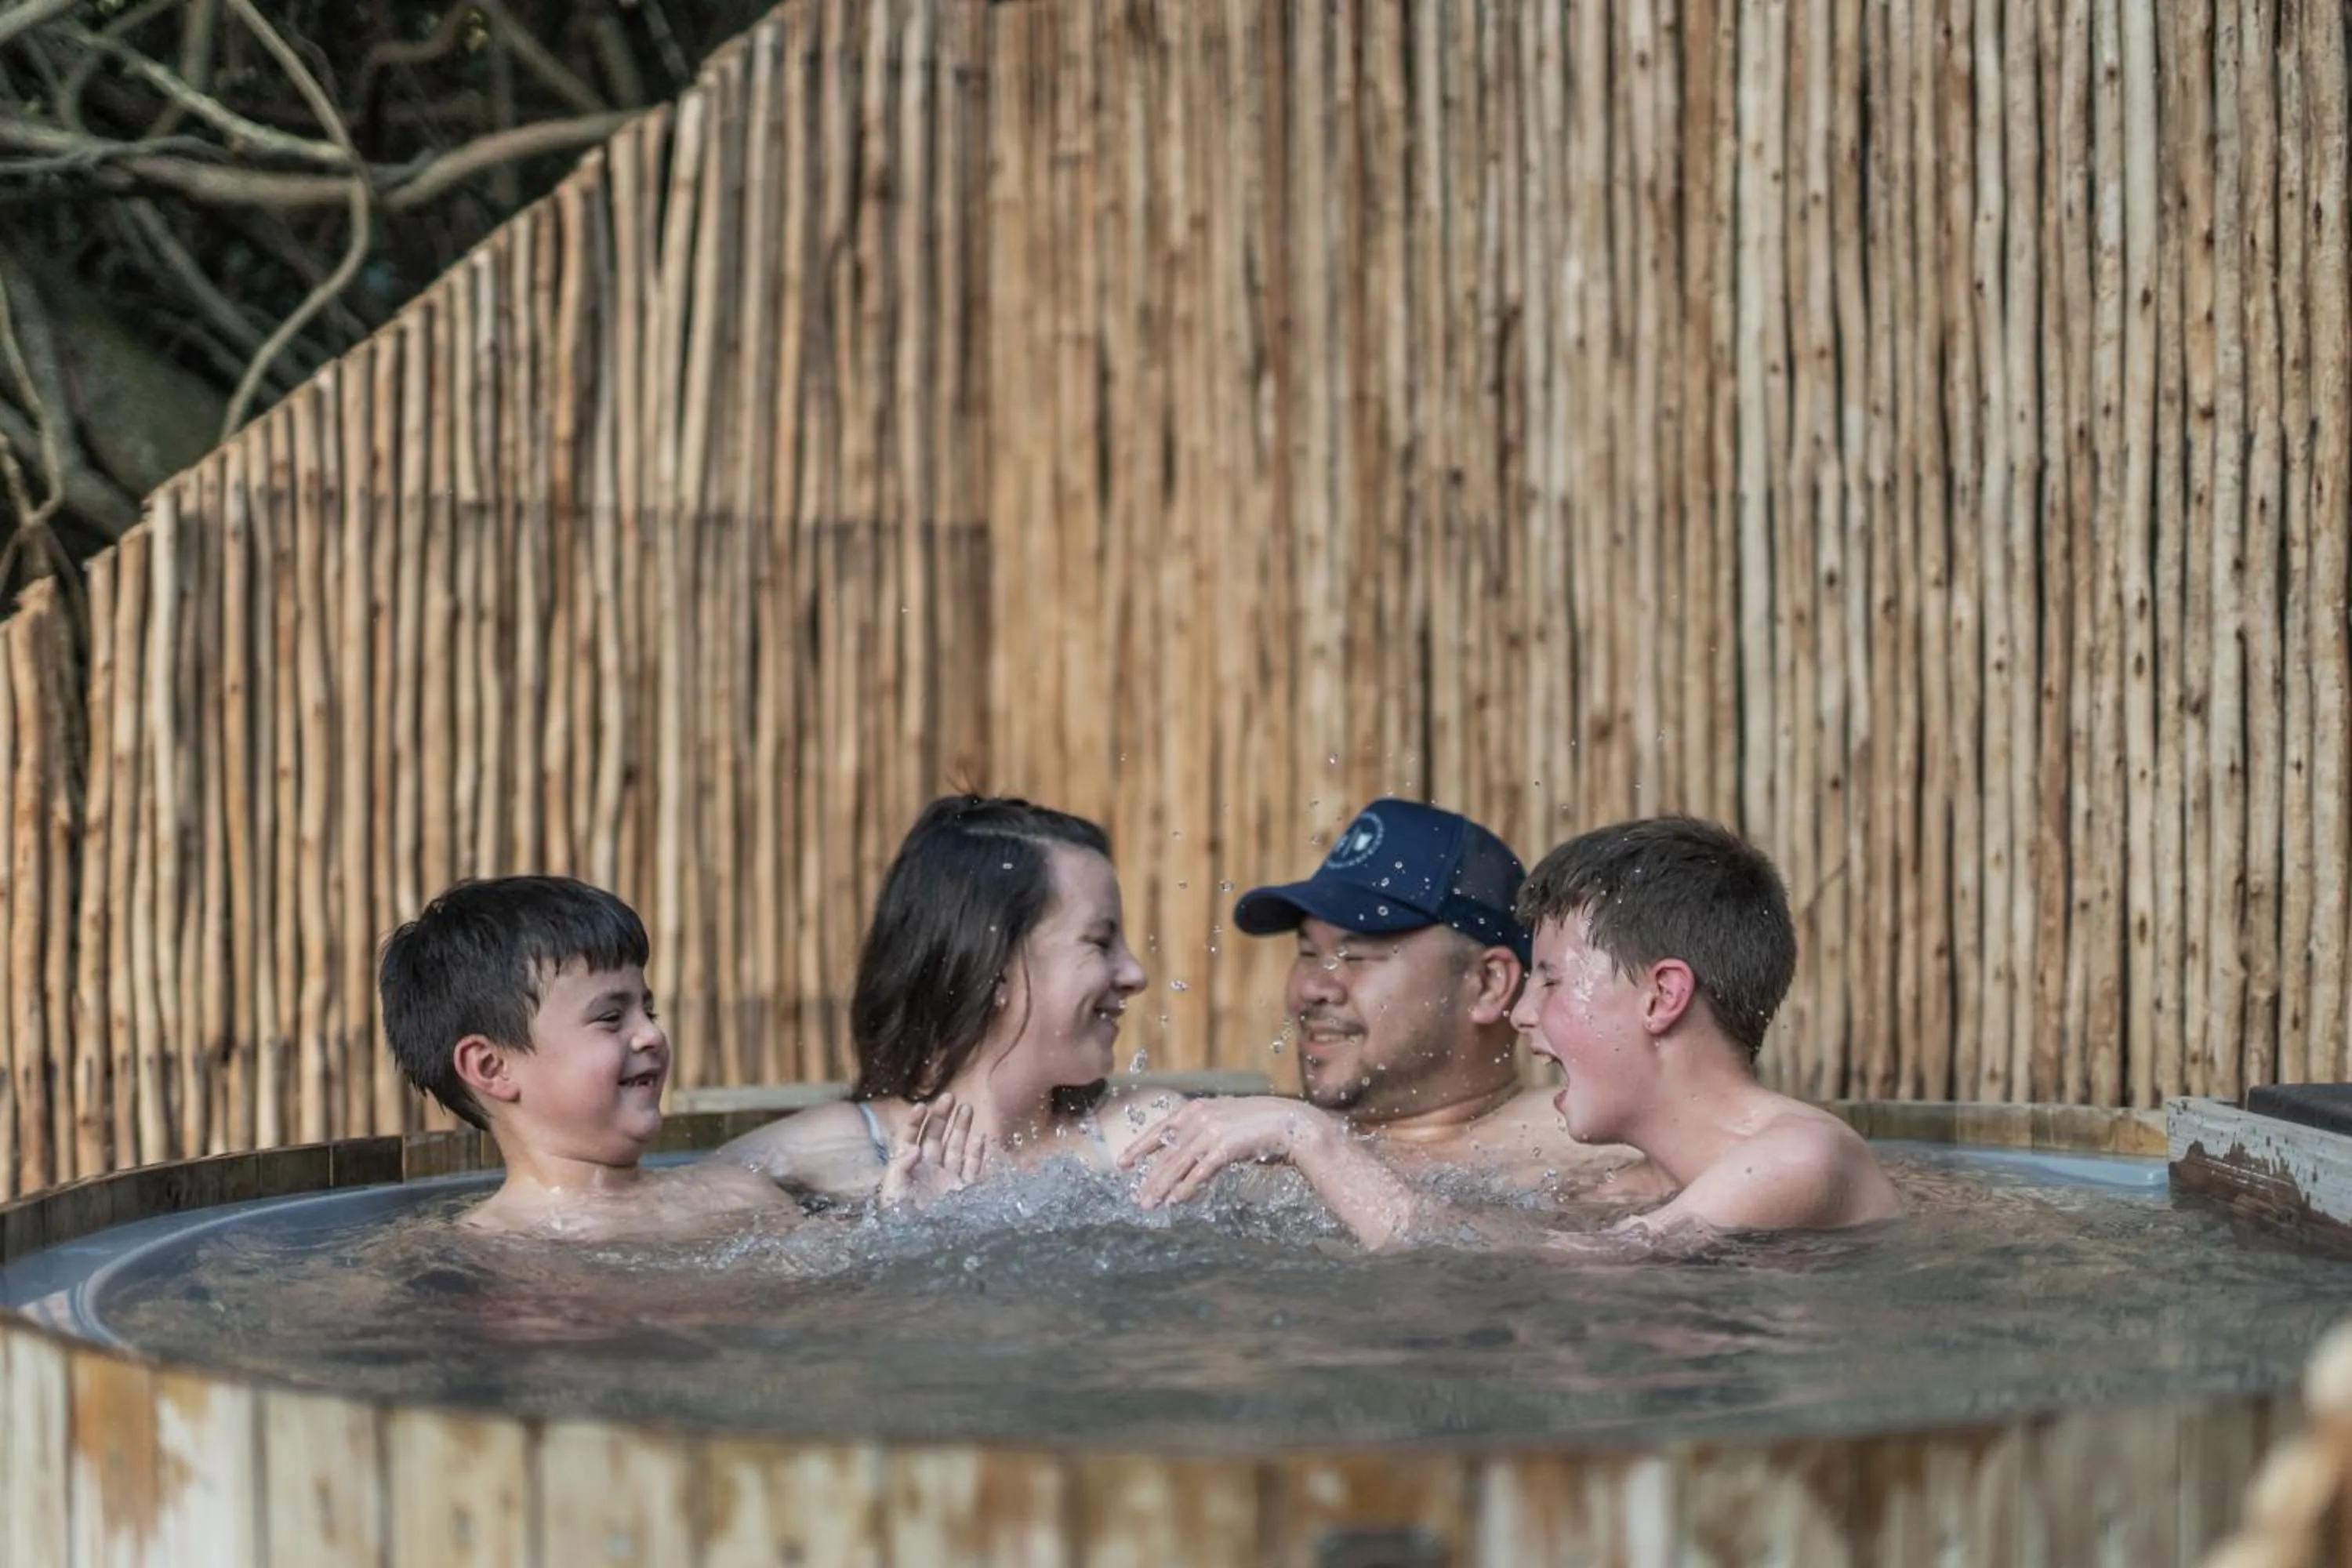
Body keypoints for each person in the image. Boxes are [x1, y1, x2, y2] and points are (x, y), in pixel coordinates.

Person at [1142, 815, 1904, 1250]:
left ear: (1662, 995)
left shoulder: (1799, 1155)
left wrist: (1314, 1139)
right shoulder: (1682, 1170)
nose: (1526, 1012)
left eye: (1550, 980)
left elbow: (1556, 1268)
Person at [1123, 799, 1646, 1210]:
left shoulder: (1600, 1152)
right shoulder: (1234, 1138)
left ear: (1489, 984)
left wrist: (1316, 1143)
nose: (1313, 989)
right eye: (1307, 952)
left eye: (1359, 955)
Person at [720, 795, 1175, 1200]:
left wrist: (1250, 1122)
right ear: (995, 968)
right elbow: (653, 1220)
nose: (1135, 974)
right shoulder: (815, 1158)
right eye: (1099, 942)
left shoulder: (1147, 1133)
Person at [379, 875, 797, 1239]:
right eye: (612, 1018)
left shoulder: (740, 1195)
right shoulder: (500, 1250)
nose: (652, 1034)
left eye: (648, 1011)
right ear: (492, 1067)